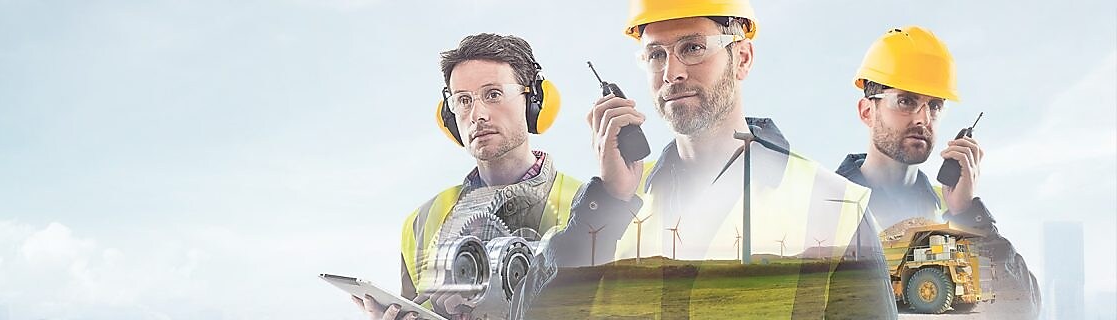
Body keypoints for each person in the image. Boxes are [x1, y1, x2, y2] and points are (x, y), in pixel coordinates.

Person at [535, 1, 898, 318]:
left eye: (692, 48)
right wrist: (608, 202)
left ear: (742, 58)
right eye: (656, 54)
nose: (671, 73)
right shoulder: (614, 202)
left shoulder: (833, 205)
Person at [351, 33, 582, 320]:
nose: (477, 114)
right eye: (463, 100)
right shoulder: (421, 222)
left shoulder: (590, 205)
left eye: (493, 94)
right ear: (449, 118)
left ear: (534, 100)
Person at [836, 25, 1040, 318]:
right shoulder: (826, 201)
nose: (924, 118)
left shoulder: (951, 209)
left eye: (934, 105)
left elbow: (1021, 310)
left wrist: (968, 213)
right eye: (906, 101)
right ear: (867, 111)